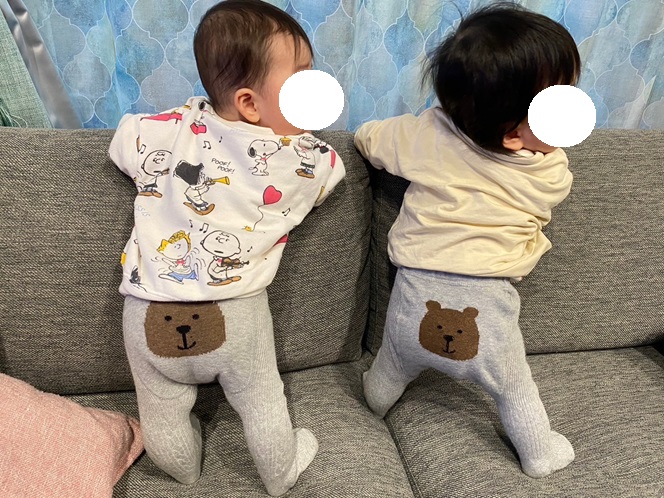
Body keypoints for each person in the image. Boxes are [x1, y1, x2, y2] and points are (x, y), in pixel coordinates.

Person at [109, 0, 345, 494]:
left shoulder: (163, 129)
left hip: (148, 313)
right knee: (261, 401)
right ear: (250, 104)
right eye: (302, 78)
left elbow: (122, 143)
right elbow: (334, 174)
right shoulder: (303, 159)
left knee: (160, 409)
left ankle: (183, 471)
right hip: (235, 314)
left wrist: (189, 116)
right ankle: (280, 474)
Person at [355, 2, 579, 478]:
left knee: (391, 365)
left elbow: (368, 139)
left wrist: (425, 128)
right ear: (515, 136)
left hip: (413, 298)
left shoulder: (426, 136)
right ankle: (539, 453)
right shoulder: (550, 171)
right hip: (487, 312)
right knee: (514, 389)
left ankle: (372, 401)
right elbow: (552, 189)